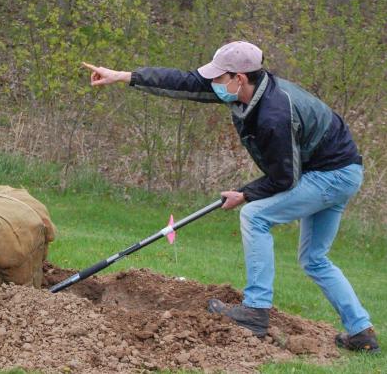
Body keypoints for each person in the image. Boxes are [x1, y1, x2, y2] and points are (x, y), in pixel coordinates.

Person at [82, 41, 379, 353]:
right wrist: (122, 76)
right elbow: (185, 82)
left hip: (331, 175)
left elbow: (284, 178)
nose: (212, 85)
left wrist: (245, 194)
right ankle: (361, 330)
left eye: (218, 78)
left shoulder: (274, 114)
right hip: (340, 172)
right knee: (314, 259)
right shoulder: (246, 88)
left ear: (239, 78)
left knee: (255, 215)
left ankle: (255, 310)